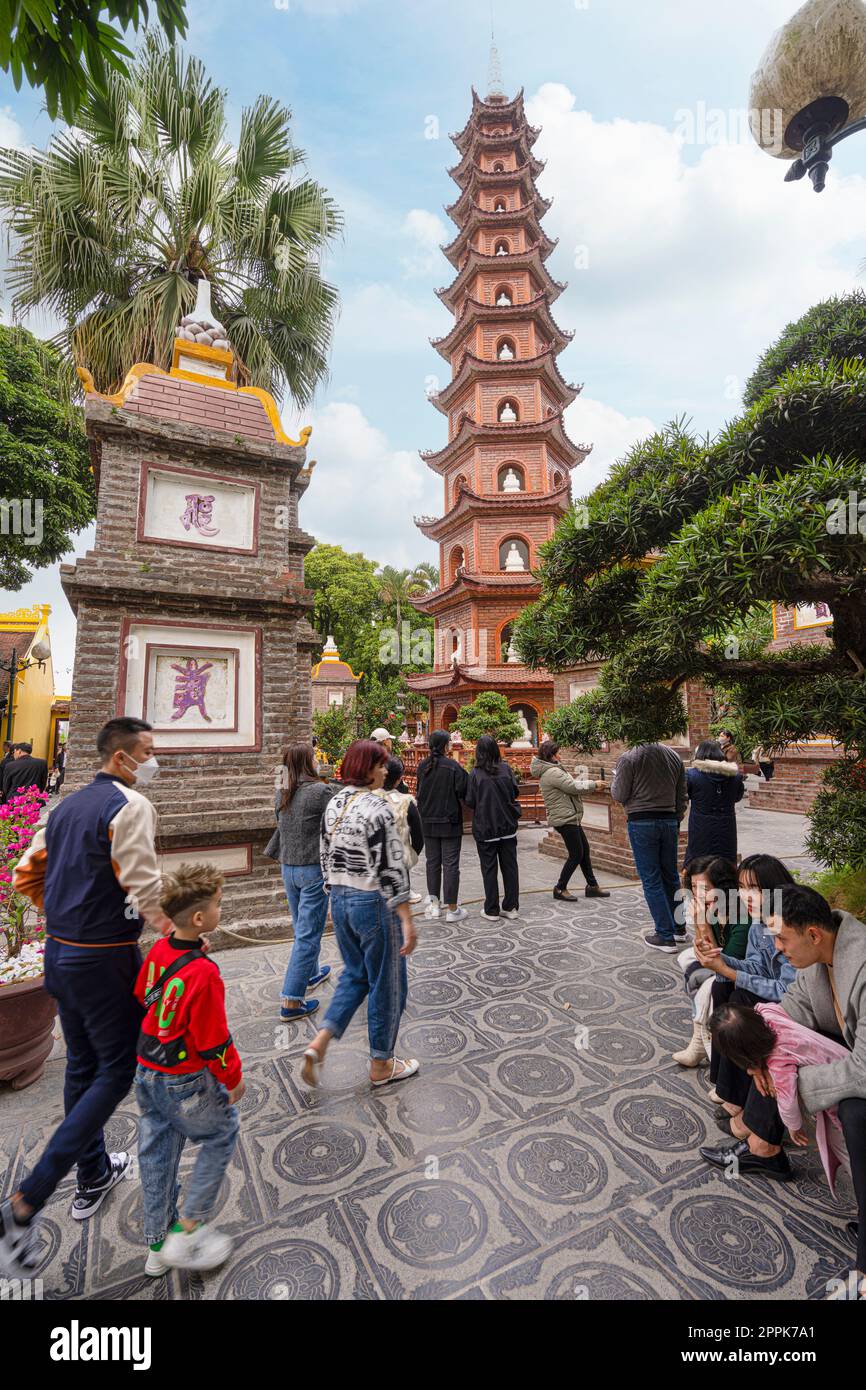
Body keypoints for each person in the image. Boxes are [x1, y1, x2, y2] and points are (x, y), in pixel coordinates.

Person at [0, 717, 171, 1280]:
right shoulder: (130, 806)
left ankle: (94, 1170)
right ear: (122, 758)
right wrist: (174, 931)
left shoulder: (67, 808)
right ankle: (27, 1199)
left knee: (82, 1064)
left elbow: (26, 872)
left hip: (61, 952)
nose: (153, 761)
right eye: (147, 752)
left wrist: (65, 913)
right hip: (105, 956)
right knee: (117, 1070)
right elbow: (144, 885)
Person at [700, 884, 866, 1301]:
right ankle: (763, 1148)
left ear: (813, 934)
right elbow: (786, 1017)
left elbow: (864, 1072)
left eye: (782, 939)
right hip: (847, 1055)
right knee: (768, 1046)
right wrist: (763, 1063)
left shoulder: (861, 967)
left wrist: (787, 1085)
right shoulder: (816, 962)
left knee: (854, 1111)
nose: (776, 949)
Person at [134, 864, 244, 1276]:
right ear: (199, 919)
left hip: (147, 1067)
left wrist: (192, 952)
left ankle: (157, 1242)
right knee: (221, 1133)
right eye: (217, 905)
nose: (220, 909)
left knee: (157, 1150)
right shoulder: (205, 974)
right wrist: (233, 1077)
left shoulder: (161, 950)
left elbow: (143, 992)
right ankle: (189, 1226)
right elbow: (212, 1039)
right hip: (185, 1076)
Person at [301, 739, 418, 1089]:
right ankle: (381, 1062)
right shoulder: (377, 808)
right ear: (367, 768)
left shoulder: (334, 802)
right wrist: (407, 917)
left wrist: (333, 894)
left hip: (339, 896)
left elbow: (324, 854)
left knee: (355, 975)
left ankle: (320, 1040)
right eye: (381, 765)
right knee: (388, 981)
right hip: (372, 901)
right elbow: (392, 865)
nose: (386, 771)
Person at [711, 1002, 851, 1198]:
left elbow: (786, 1100)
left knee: (841, 1144)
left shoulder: (779, 1061)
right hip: (842, 1058)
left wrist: (794, 1127)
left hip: (843, 1087)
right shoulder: (768, 1015)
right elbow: (762, 1006)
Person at [700, 855, 797, 1101]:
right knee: (723, 988)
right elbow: (756, 966)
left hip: (798, 1006)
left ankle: (730, 1091)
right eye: (742, 888)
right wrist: (720, 959)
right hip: (774, 996)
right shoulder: (758, 922)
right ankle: (724, 1084)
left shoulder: (790, 925)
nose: (745, 896)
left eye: (754, 888)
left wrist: (730, 971)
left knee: (736, 995)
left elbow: (787, 990)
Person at [264, 743, 336, 1022]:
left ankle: (312, 972)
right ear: (308, 763)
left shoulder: (281, 790)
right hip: (311, 870)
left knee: (302, 926)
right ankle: (292, 1000)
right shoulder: (319, 792)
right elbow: (343, 802)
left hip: (288, 866)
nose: (318, 760)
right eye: (315, 757)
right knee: (308, 933)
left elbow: (278, 818)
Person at [672, 856, 751, 1067]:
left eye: (706, 888)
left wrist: (703, 923)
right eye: (695, 888)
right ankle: (698, 1039)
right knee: (689, 961)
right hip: (721, 962)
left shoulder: (741, 914)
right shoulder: (712, 908)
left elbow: (726, 960)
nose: (699, 895)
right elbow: (702, 947)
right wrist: (701, 923)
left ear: (723, 888)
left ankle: (701, 1041)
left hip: (742, 970)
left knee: (708, 984)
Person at [611, 740, 687, 952]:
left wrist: (614, 777)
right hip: (669, 819)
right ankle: (679, 928)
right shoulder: (673, 755)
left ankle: (664, 935)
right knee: (671, 875)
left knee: (651, 878)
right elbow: (682, 793)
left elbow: (619, 794)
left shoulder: (629, 757)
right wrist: (676, 816)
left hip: (642, 820)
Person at [530, 740, 609, 901]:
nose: (560, 755)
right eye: (558, 752)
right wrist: (594, 784)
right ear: (550, 755)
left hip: (569, 816)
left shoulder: (553, 768)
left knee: (584, 851)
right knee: (577, 854)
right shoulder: (552, 772)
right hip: (564, 818)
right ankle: (560, 888)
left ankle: (592, 886)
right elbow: (572, 787)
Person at [465, 734, 521, 921]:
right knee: (510, 867)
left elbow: (470, 801)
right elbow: (515, 792)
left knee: (489, 869)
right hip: (507, 826)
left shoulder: (475, 774)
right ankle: (511, 907)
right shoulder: (506, 769)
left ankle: (492, 909)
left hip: (486, 827)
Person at [414, 730, 468, 921]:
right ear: (445, 746)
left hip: (428, 822)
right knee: (451, 864)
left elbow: (418, 792)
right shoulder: (453, 767)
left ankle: (435, 906)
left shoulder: (422, 766)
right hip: (449, 823)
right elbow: (465, 791)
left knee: (432, 864)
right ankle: (452, 909)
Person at [372, 756, 424, 905]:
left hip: (374, 866)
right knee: (399, 907)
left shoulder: (369, 798)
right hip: (399, 862)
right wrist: (410, 855)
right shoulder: (406, 802)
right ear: (399, 779)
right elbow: (419, 838)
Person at [683, 739, 744, 866]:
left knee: (700, 865)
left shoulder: (692, 775)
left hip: (701, 826)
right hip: (727, 826)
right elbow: (737, 797)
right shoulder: (735, 776)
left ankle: (700, 886)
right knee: (725, 863)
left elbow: (685, 795)